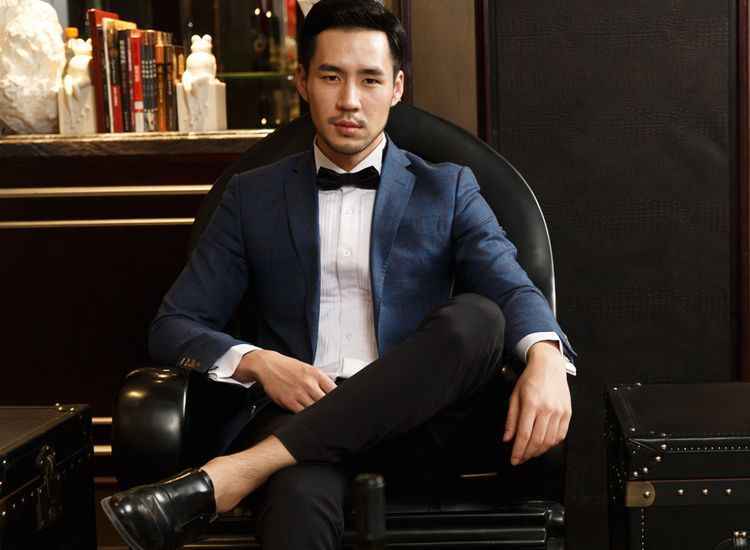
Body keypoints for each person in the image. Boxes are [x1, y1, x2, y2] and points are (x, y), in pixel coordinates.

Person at [101, 1, 576, 549]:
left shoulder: (447, 188)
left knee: (480, 318)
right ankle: (264, 465)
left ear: (397, 87)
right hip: (298, 417)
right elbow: (174, 325)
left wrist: (545, 357)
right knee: (294, 501)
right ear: (302, 81)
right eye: (331, 77)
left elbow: (511, 286)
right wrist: (259, 362)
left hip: (421, 424)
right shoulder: (251, 197)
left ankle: (236, 473)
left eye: (370, 79)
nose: (350, 100)